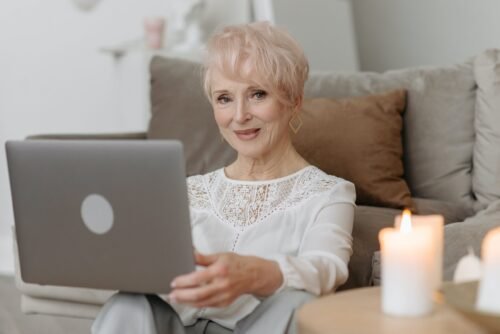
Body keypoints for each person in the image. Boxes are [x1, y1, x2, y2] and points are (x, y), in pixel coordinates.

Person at [91, 21, 355, 334]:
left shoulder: (328, 193)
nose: (239, 115)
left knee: (298, 305)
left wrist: (255, 273)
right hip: (173, 327)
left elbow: (327, 267)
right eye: (224, 98)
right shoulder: (190, 190)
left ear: (293, 101)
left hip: (259, 327)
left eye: (257, 94)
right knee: (128, 303)